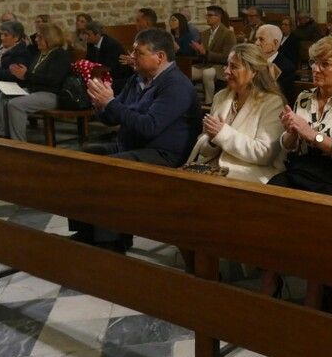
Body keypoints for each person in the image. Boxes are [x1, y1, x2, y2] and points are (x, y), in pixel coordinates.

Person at [72, 28, 202, 252]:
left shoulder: (175, 85)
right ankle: (85, 230)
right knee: (79, 159)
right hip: (132, 145)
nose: (132, 57)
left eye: (138, 52)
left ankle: (110, 242)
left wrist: (111, 103)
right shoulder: (138, 79)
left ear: (160, 56)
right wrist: (100, 103)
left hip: (163, 154)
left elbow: (150, 126)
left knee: (109, 168)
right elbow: (114, 117)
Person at [267, 35, 332, 306]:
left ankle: (315, 296)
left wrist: (313, 135)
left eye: (325, 64)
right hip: (302, 170)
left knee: (317, 227)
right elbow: (288, 146)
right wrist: (291, 132)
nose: (316, 69)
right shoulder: (304, 98)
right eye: (314, 63)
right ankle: (270, 281)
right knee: (270, 200)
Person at [185, 43, 285, 183]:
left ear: (254, 72)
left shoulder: (272, 103)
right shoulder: (220, 97)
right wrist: (212, 142)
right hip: (212, 168)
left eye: (234, 67)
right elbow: (204, 149)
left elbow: (265, 153)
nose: (226, 71)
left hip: (247, 173)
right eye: (227, 65)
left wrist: (222, 134)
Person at [0, 23, 71, 141]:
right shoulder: (40, 54)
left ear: (49, 38)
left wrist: (26, 75)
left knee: (16, 104)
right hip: (34, 90)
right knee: (4, 95)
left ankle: (18, 143)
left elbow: (53, 80)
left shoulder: (59, 54)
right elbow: (32, 75)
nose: (36, 39)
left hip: (51, 94)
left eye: (39, 37)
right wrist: (21, 74)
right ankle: (5, 136)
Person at [191, 5, 236, 105]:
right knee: (187, 72)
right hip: (205, 64)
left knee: (207, 73)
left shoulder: (228, 33)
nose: (207, 18)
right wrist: (197, 50)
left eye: (210, 15)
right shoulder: (204, 33)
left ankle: (209, 103)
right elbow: (201, 54)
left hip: (220, 66)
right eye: (207, 15)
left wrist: (206, 53)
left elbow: (227, 57)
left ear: (218, 17)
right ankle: (190, 101)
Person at [84, 21, 132, 95]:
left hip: (118, 77)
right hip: (101, 75)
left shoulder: (111, 44)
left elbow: (110, 66)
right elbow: (89, 62)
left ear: (97, 34)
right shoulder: (90, 45)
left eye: (88, 34)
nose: (86, 37)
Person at [254, 24, 295, 101]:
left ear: (275, 43)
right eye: (256, 39)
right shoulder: (251, 61)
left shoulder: (286, 67)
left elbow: (281, 98)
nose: (256, 43)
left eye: (261, 39)